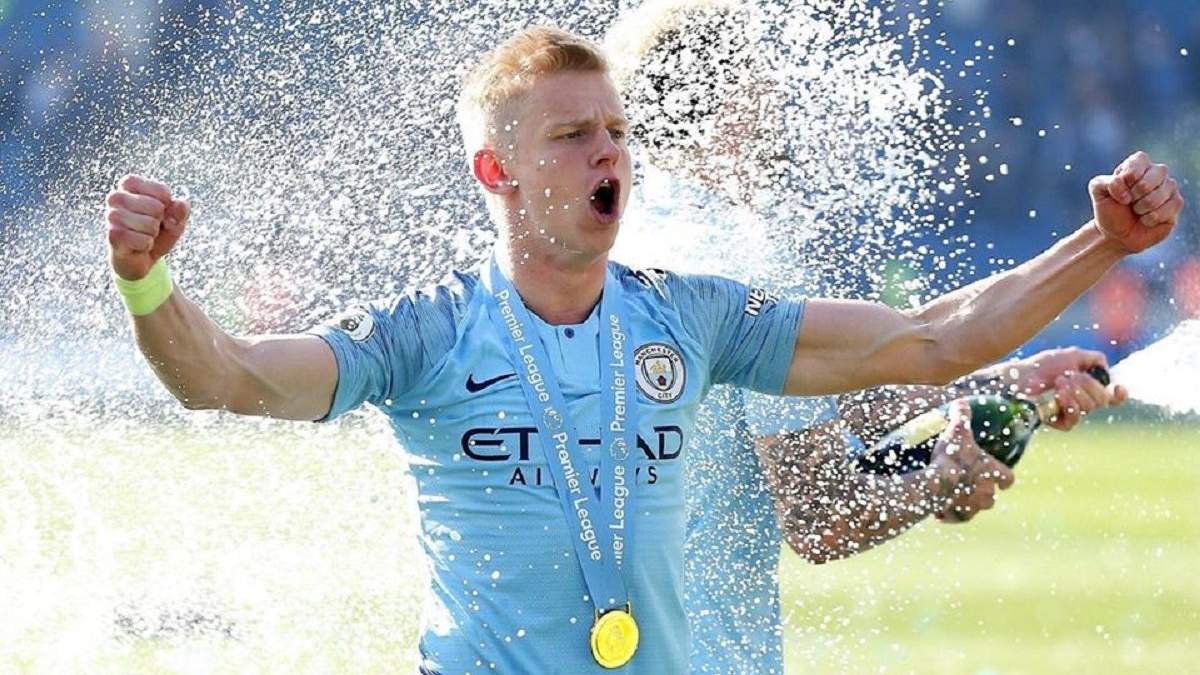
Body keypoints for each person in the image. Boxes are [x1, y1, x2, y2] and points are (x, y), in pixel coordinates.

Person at [103, 25, 1181, 674]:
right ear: (497, 172)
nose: (607, 154)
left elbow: (927, 340)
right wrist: (149, 282)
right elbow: (228, 376)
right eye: (574, 136)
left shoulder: (692, 315)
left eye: (616, 131)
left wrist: (1102, 244)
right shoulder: (426, 331)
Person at [604, 2, 1128, 671]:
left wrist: (1005, 381)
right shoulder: (748, 263)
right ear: (726, 105)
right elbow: (818, 517)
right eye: (762, 88)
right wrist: (937, 482)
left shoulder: (613, 248)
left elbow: (815, 398)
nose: (778, 113)